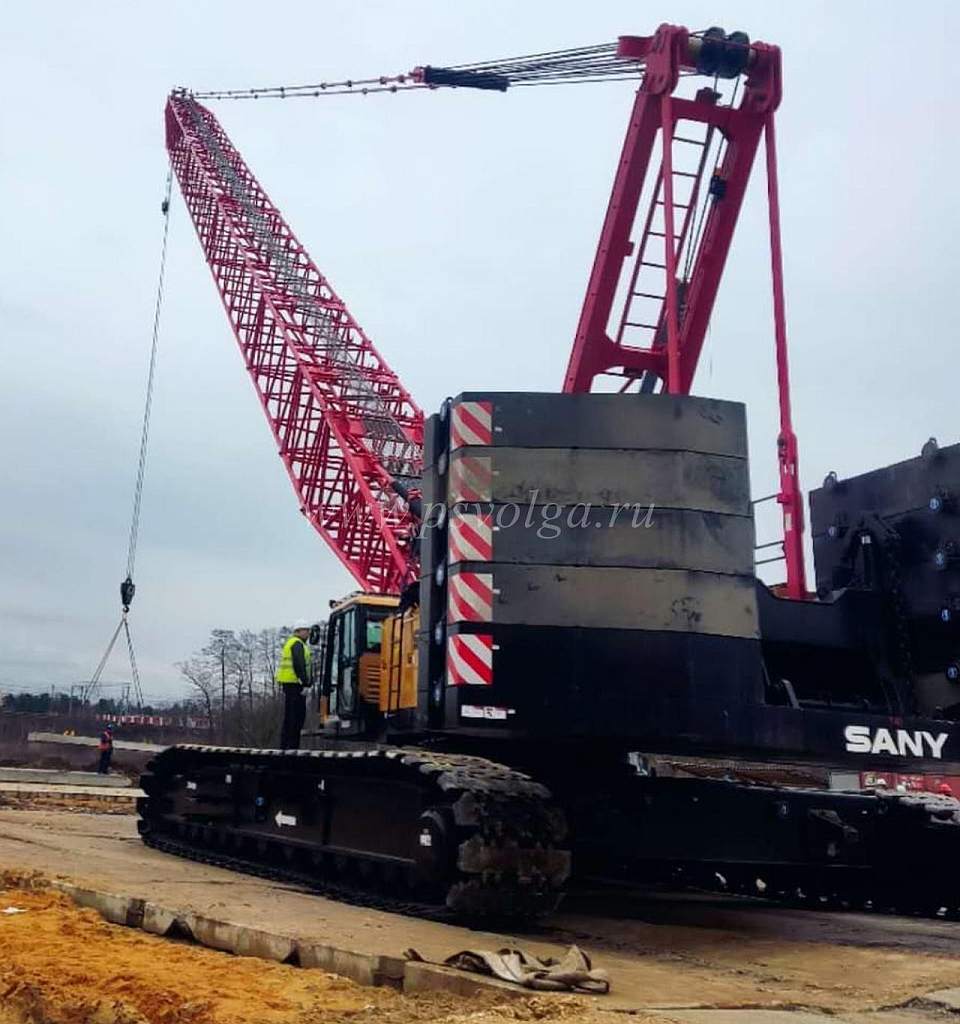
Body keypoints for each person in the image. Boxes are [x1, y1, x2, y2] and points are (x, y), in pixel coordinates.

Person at [276, 619, 313, 749]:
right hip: (295, 684)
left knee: (291, 716)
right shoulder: (297, 644)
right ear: (299, 631)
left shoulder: (294, 643)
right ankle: (291, 746)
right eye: (306, 631)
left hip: (291, 684)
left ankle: (286, 745)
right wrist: (305, 683)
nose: (308, 633)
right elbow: (299, 664)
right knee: (296, 716)